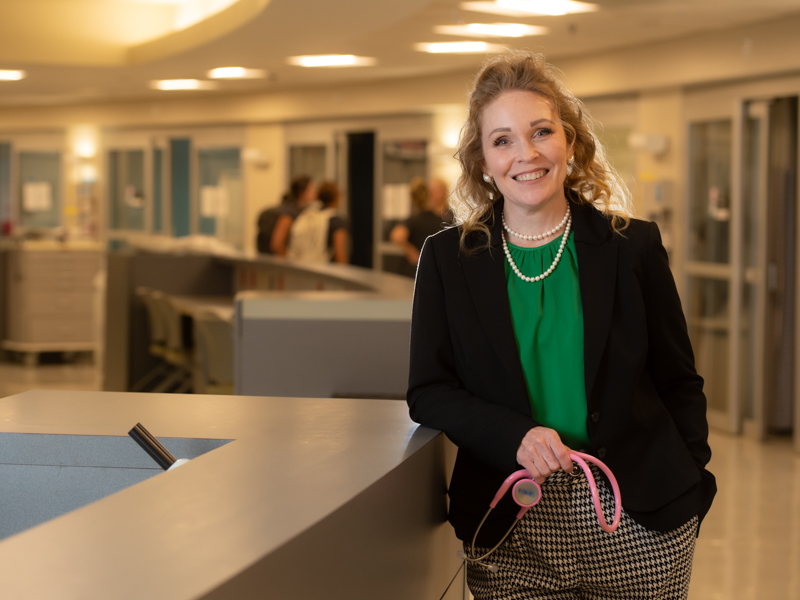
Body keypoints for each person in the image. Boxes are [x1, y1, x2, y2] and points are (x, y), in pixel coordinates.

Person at [406, 51, 716, 600]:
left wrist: (693, 485)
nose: (526, 154)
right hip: (511, 519)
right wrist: (513, 435)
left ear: (569, 144)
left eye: (541, 132)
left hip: (638, 515)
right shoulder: (446, 260)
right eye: (502, 140)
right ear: (482, 161)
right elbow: (430, 391)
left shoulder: (632, 246)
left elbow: (678, 379)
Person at [390, 177, 452, 277]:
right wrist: (410, 251)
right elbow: (397, 235)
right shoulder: (421, 217)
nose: (434, 193)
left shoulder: (452, 216)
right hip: (418, 271)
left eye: (437, 189)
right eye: (432, 190)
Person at [287, 180, 348, 264]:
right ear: (336, 197)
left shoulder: (309, 214)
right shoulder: (337, 221)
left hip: (304, 265)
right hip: (326, 269)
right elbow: (339, 254)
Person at [256, 175, 316, 255]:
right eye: (311, 189)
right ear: (302, 192)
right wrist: (287, 263)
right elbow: (277, 244)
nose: (315, 192)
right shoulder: (289, 212)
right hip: (279, 263)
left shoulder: (299, 210)